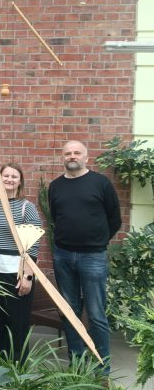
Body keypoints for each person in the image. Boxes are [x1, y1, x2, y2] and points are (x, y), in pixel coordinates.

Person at [49, 140, 121, 372]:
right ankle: (77, 364)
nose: (72, 156)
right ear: (63, 157)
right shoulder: (55, 186)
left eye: (77, 153)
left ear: (86, 157)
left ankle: (102, 368)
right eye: (68, 153)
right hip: (63, 256)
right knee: (69, 312)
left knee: (96, 313)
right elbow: (55, 217)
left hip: (93, 257)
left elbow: (115, 219)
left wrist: (98, 241)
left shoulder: (101, 183)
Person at [0, 163, 41, 360]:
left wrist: (27, 277)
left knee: (17, 322)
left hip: (16, 273)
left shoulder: (26, 208)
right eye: (5, 175)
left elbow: (33, 245)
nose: (9, 179)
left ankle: (17, 366)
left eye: (14, 176)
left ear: (20, 181)